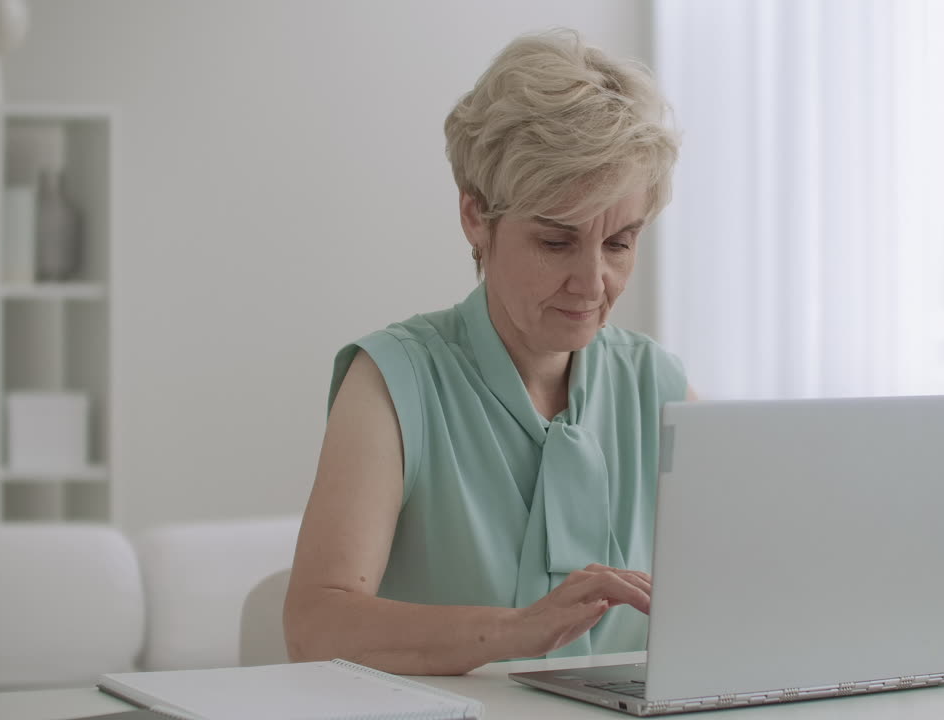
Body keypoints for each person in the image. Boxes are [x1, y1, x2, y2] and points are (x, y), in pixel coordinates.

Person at [283, 29, 690, 676]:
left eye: (619, 243)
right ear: (476, 216)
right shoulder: (394, 382)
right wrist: (518, 631)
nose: (593, 284)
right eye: (556, 243)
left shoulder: (660, 387)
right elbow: (315, 626)